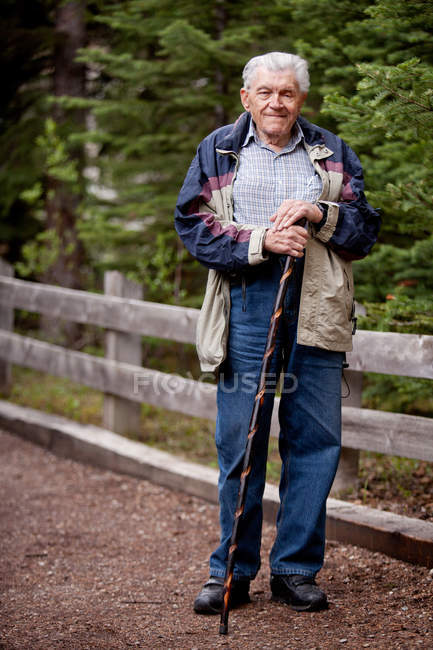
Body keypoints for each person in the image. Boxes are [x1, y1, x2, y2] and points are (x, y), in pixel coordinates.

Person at [175, 52, 380, 615]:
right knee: (240, 443)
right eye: (264, 92)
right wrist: (259, 243)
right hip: (247, 301)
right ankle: (232, 574)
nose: (276, 102)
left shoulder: (331, 152)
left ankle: (294, 570)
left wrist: (319, 214)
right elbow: (192, 226)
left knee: (314, 442)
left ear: (300, 101)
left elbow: (365, 229)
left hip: (317, 305)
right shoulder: (218, 149)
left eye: (286, 93)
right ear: (246, 98)